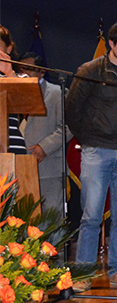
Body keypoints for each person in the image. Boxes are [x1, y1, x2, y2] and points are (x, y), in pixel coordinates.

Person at [66, 21, 117, 292]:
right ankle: (83, 273)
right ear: (111, 44)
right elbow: (72, 110)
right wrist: (89, 140)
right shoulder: (90, 71)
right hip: (97, 151)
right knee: (91, 215)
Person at [20, 52, 71, 214]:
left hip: (49, 166)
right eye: (21, 69)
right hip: (19, 167)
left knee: (51, 218)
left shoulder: (56, 92)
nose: (24, 73)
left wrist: (44, 147)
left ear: (42, 71)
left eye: (29, 68)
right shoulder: (13, 91)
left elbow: (68, 126)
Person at [0, 25, 26, 154]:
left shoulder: (21, 77)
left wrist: (9, 72)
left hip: (12, 147)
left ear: (8, 48)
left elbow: (26, 105)